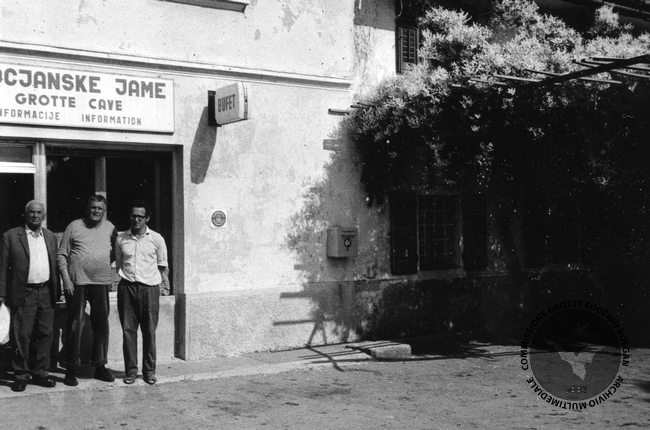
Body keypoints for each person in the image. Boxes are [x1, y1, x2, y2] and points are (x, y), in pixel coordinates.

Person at [0, 200, 60, 392]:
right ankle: (21, 375)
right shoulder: (11, 236)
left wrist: (57, 291)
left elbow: (55, 265)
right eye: (32, 212)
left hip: (46, 291)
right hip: (23, 292)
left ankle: (41, 373)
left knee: (44, 334)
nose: (35, 215)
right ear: (25, 215)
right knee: (22, 335)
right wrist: (2, 294)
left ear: (44, 216)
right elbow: (3, 267)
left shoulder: (50, 236)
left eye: (39, 212)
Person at [57, 194, 117, 386]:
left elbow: (115, 254)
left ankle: (100, 366)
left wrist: (103, 267)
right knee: (75, 324)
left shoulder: (110, 228)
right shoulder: (74, 226)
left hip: (101, 282)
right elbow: (62, 255)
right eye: (93, 207)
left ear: (104, 211)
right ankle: (71, 368)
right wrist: (66, 279)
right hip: (77, 282)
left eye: (100, 208)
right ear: (87, 208)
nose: (96, 211)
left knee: (101, 324)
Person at [115, 200, 168, 385]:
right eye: (133, 216)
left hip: (149, 289)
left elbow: (162, 266)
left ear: (147, 218)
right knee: (128, 331)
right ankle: (130, 371)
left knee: (149, 331)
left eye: (140, 216)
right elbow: (119, 264)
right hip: (127, 287)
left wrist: (156, 285)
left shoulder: (157, 239)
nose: (136, 219)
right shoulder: (121, 239)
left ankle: (149, 371)